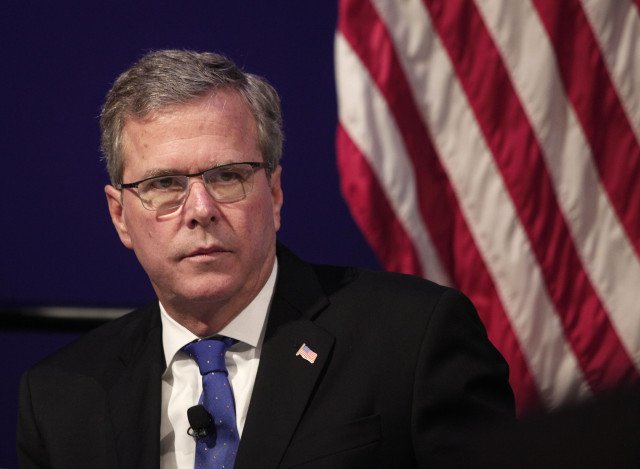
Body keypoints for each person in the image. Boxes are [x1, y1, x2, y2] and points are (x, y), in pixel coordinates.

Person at [17, 49, 514, 469]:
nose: (201, 210)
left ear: (274, 194)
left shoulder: (413, 339)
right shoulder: (61, 398)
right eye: (164, 184)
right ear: (120, 216)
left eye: (227, 176)